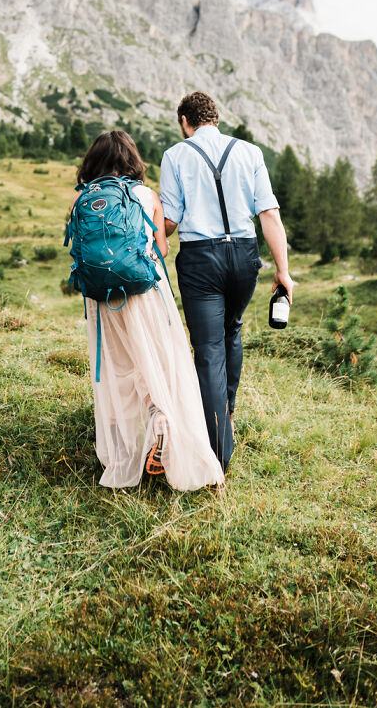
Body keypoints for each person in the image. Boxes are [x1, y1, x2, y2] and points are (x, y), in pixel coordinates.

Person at [69, 130, 224, 492]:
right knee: (160, 362)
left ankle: (126, 455)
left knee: (120, 369)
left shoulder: (82, 200)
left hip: (102, 302)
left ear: (94, 160)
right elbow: (162, 250)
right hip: (145, 294)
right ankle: (163, 422)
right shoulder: (146, 195)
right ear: (132, 159)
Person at [159, 92, 293, 473]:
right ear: (215, 118)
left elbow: (170, 219)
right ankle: (227, 415)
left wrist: (152, 231)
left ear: (186, 121)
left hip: (202, 258)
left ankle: (216, 451)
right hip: (245, 256)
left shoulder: (176, 155)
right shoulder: (250, 152)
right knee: (231, 331)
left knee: (208, 349)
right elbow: (268, 214)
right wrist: (282, 271)